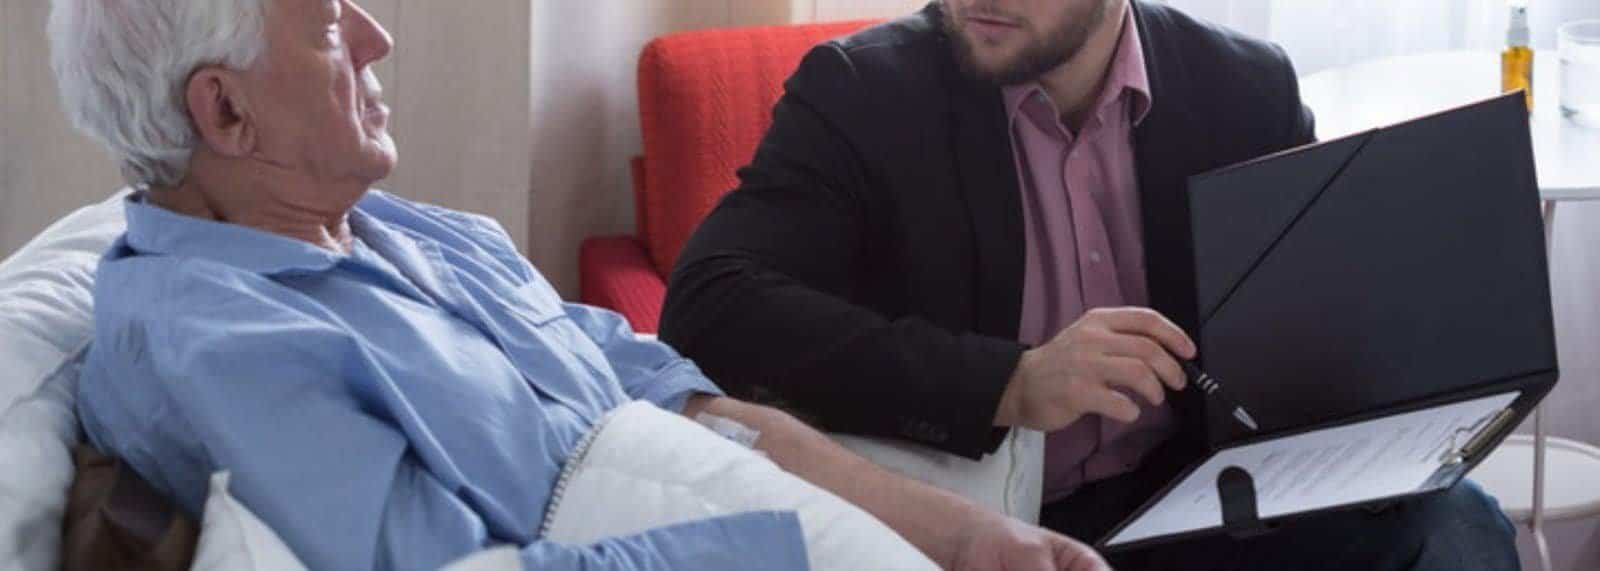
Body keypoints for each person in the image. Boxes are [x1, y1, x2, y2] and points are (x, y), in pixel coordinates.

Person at [49, 0, 1110, 569]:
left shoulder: (422, 233)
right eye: (327, 23)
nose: (377, 34)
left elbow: (694, 408)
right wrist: (792, 545)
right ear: (226, 113)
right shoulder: (211, 341)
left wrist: (960, 537)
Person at [659, 0, 1520, 568]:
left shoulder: (1244, 88)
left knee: (1459, 519)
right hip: (980, 526)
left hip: (1187, 503)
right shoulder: (863, 92)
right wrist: (1011, 380)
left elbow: (1306, 324)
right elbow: (707, 305)